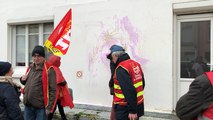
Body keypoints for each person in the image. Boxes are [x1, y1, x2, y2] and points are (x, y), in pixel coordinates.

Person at [107, 45, 145, 120]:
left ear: (116, 55)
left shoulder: (121, 69)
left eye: (112, 58)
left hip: (125, 109)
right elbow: (142, 84)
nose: (112, 61)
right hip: (137, 104)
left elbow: (129, 90)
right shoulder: (136, 64)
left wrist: (132, 111)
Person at [20, 45, 57, 120]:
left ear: (43, 57)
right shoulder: (31, 67)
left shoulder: (49, 70)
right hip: (28, 106)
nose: (36, 58)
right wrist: (22, 79)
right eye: (34, 56)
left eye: (39, 56)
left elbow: (53, 90)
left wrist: (49, 108)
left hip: (41, 108)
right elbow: (28, 83)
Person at [47, 55, 74, 120]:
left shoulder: (50, 68)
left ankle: (63, 118)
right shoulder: (54, 69)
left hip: (56, 93)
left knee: (59, 108)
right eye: (59, 60)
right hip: (56, 94)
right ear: (56, 61)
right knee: (53, 108)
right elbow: (59, 80)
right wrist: (64, 82)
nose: (60, 62)